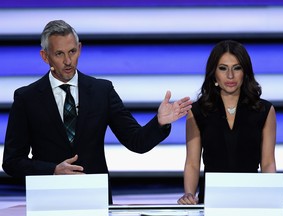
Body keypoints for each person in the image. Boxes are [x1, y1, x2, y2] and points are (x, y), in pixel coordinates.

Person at [2, 20, 192, 204]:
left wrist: (159, 122)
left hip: (95, 198)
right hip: (47, 199)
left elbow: (137, 141)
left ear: (80, 49)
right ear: (45, 56)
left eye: (72, 52)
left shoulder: (102, 91)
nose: (68, 61)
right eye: (59, 54)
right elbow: (11, 161)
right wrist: (52, 170)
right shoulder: (26, 98)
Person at [177, 40, 276, 205]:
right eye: (223, 68)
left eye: (237, 68)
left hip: (253, 201)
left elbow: (268, 163)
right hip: (211, 201)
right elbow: (192, 163)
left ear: (245, 72)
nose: (230, 75)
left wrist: (272, 197)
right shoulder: (197, 112)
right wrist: (189, 194)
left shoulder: (264, 110)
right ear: (214, 73)